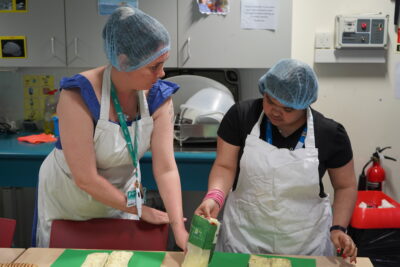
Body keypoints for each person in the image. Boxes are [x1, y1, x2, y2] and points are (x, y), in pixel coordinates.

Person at [35, 6, 188, 249]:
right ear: (124, 61)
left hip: (120, 201)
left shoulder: (158, 97)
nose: (162, 73)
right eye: (153, 66)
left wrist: (179, 228)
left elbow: (166, 169)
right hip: (70, 201)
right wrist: (141, 210)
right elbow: (85, 179)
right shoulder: (79, 95)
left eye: (163, 64)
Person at [195, 59, 358, 262]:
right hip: (244, 238)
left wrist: (338, 228)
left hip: (304, 243)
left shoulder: (330, 134)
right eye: (270, 101)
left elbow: (345, 185)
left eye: (287, 109)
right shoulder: (241, 116)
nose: (275, 111)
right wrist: (215, 198)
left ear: (304, 104)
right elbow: (225, 165)